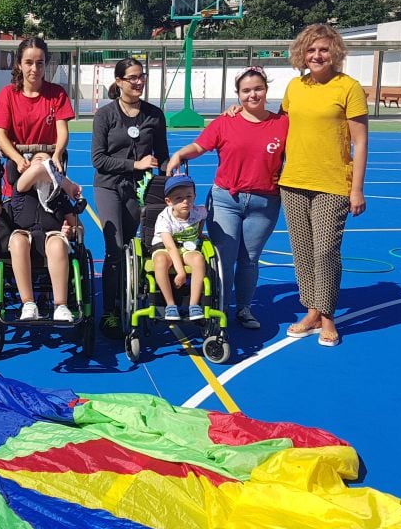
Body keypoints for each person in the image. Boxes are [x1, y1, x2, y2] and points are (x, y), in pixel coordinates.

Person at [166, 66, 288, 330]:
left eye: (258, 89)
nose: (252, 95)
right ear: (238, 94)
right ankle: (218, 308)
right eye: (246, 91)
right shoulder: (225, 121)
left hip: (264, 204)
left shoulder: (283, 123)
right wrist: (180, 154)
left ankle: (243, 308)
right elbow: (200, 145)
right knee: (223, 258)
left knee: (250, 259)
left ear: (266, 90)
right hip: (225, 201)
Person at [278, 24, 368, 347]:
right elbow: (277, 127)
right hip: (293, 182)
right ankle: (312, 309)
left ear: (335, 53)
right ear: (302, 53)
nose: (317, 55)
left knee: (326, 250)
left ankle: (328, 316)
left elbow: (360, 140)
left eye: (324, 50)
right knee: (302, 251)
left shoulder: (349, 88)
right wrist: (239, 111)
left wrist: (356, 189)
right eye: (311, 50)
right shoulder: (294, 87)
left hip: (332, 184)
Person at [91, 57, 169, 338]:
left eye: (141, 76)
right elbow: (98, 159)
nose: (138, 82)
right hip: (109, 187)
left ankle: (134, 299)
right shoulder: (105, 115)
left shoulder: (154, 115)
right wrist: (132, 165)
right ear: (119, 82)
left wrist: (167, 185)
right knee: (114, 249)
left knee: (132, 249)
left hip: (141, 190)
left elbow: (162, 156)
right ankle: (110, 311)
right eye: (132, 77)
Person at [0, 152, 82, 321]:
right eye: (38, 158)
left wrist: (71, 231)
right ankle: (28, 303)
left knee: (58, 243)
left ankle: (61, 305)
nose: (43, 162)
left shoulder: (60, 196)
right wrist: (65, 181)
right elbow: (37, 169)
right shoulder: (21, 188)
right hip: (25, 235)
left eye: (47, 159)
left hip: (51, 237)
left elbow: (79, 228)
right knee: (17, 240)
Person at [0, 37, 75, 182]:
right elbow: (0, 135)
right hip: (18, 170)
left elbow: (62, 131)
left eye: (39, 63)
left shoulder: (57, 94)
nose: (34, 69)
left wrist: (57, 154)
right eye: (29, 63)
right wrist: (17, 159)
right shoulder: (7, 94)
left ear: (45, 64)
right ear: (19, 64)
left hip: (47, 167)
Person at [151, 175, 207, 322]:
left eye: (189, 196)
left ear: (194, 196)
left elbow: (203, 218)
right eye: (179, 198)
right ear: (169, 202)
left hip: (187, 246)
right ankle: (170, 304)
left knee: (199, 259)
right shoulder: (164, 218)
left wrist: (199, 235)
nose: (185, 201)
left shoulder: (198, 211)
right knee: (161, 261)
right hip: (165, 247)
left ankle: (194, 304)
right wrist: (181, 272)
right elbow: (170, 247)